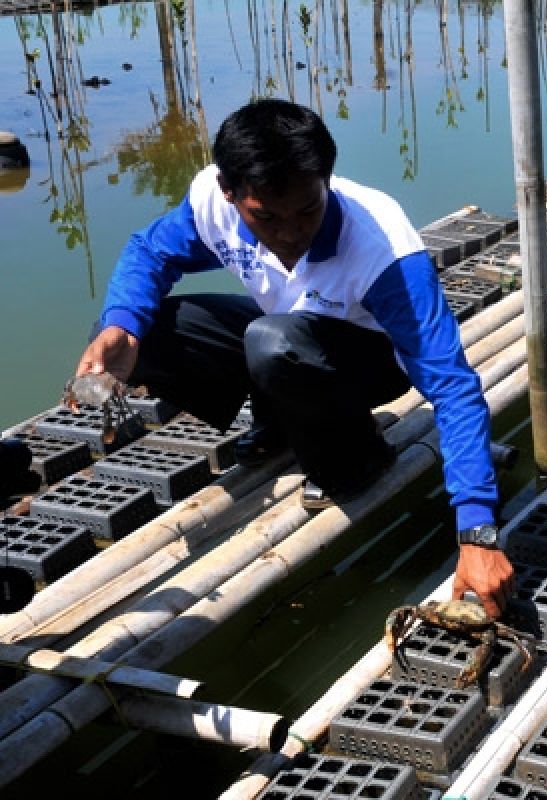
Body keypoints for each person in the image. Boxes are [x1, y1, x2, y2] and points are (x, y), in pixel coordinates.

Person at [74, 98, 514, 616]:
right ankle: (282, 422)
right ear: (230, 193)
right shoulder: (212, 206)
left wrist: (478, 530)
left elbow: (453, 385)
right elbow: (149, 251)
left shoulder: (383, 251)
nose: (288, 233)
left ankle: (358, 458)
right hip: (285, 330)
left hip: (364, 360)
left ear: (326, 182)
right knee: (135, 330)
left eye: (308, 210)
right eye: (266, 217)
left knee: (272, 342)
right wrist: (122, 324)